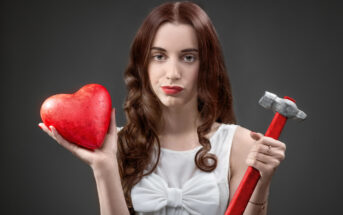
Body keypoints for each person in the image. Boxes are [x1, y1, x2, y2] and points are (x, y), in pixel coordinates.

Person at [39, 1, 286, 215]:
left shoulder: (240, 145)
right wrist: (103, 166)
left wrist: (262, 183)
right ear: (143, 64)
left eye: (188, 57)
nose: (173, 73)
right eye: (159, 56)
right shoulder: (118, 143)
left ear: (207, 65)